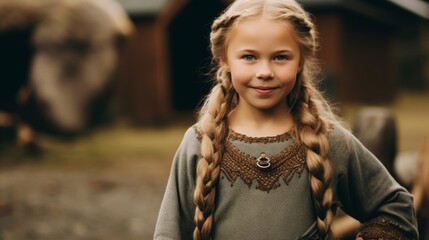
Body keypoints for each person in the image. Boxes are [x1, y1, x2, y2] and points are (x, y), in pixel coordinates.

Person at [154, 0, 418, 239]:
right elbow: (168, 234)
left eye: (280, 57)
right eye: (249, 57)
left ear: (300, 61)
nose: (265, 71)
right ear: (224, 60)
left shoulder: (330, 142)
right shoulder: (199, 144)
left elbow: (397, 208)